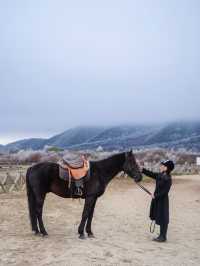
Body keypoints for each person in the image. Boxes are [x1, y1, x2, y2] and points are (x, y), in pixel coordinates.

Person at [142, 160, 175, 242]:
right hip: (157, 199)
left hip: (162, 200)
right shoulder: (160, 175)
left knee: (163, 217)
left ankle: (163, 236)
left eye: (162, 166)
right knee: (159, 215)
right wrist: (142, 170)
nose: (161, 167)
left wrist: (155, 196)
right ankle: (161, 235)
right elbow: (152, 174)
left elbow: (165, 192)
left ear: (166, 168)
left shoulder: (168, 178)